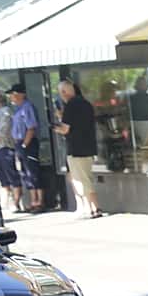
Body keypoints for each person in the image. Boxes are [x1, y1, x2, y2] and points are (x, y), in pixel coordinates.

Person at [54, 79, 101, 221]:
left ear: (65, 92)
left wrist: (55, 127)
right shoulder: (86, 104)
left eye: (61, 92)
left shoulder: (70, 106)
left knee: (82, 179)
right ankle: (90, 207)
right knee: (85, 177)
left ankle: (94, 208)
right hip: (88, 146)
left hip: (76, 148)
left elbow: (66, 129)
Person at [7, 85, 41, 213]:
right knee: (26, 173)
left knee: (33, 171)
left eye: (13, 94)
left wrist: (24, 145)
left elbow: (31, 128)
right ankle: (33, 201)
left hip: (28, 143)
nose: (11, 97)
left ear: (20, 94)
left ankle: (38, 202)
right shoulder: (17, 109)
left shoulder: (27, 107)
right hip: (19, 143)